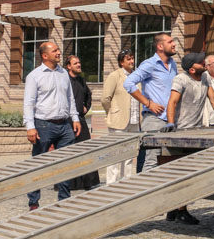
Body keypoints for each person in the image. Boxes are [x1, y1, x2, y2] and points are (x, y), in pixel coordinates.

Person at [164, 51, 214, 224]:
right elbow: (172, 102)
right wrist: (171, 123)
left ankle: (174, 209)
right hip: (180, 132)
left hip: (195, 131)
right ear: (193, 69)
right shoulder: (181, 80)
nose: (205, 63)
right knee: (182, 173)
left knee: (185, 171)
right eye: (201, 63)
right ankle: (181, 211)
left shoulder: (205, 78)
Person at [22, 41, 80, 211]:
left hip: (64, 126)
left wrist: (75, 118)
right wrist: (30, 127)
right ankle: (34, 201)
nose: (58, 53)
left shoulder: (63, 74)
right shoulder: (34, 76)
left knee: (66, 163)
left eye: (58, 50)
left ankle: (64, 199)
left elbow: (70, 98)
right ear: (45, 55)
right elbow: (29, 103)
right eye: (54, 50)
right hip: (43, 125)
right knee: (38, 164)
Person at [124, 32, 179, 172]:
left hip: (171, 120)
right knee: (152, 161)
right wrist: (148, 103)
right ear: (160, 46)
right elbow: (128, 83)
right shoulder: (150, 64)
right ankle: (143, 192)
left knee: (168, 160)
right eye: (170, 42)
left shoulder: (173, 64)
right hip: (155, 120)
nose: (174, 44)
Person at [99, 49, 137, 183]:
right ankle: (111, 184)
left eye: (132, 58)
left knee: (129, 155)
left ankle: (126, 183)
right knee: (115, 154)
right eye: (128, 59)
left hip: (134, 121)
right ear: (122, 62)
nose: (132, 61)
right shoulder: (115, 75)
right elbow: (105, 98)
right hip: (118, 121)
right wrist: (112, 112)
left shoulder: (137, 76)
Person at [66, 54, 98, 190]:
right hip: (67, 122)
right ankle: (69, 184)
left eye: (79, 63)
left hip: (80, 119)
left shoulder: (81, 80)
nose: (79, 65)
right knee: (69, 152)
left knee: (86, 150)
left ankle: (87, 182)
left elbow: (88, 95)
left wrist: (86, 106)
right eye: (75, 63)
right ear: (68, 66)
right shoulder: (64, 81)